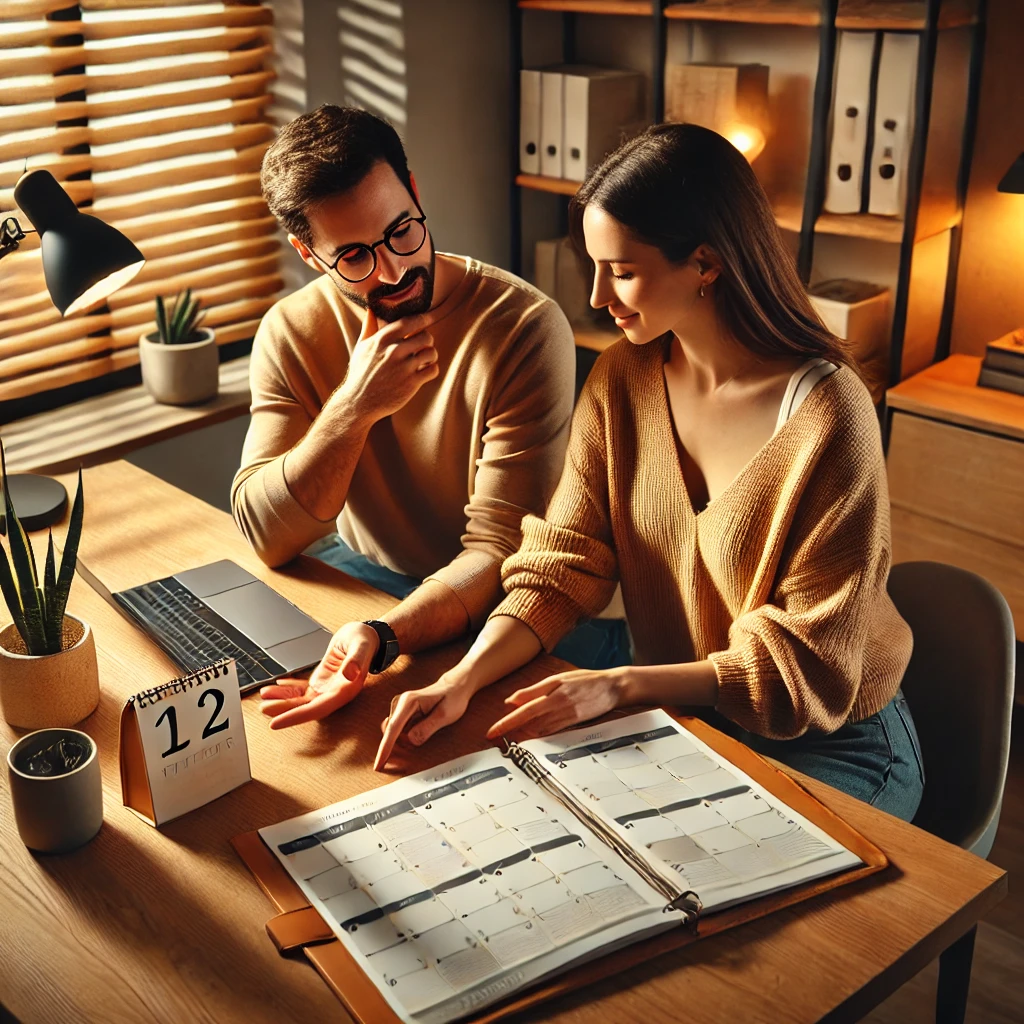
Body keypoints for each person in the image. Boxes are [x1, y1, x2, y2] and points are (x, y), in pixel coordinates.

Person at [373, 123, 925, 822]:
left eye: (623, 270)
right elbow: (560, 566)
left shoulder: (829, 414)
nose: (598, 296)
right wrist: (460, 681)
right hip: (688, 709)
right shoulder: (621, 378)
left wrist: (620, 688)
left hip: (833, 739)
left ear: (706, 264)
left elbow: (807, 667)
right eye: (594, 266)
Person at [231, 105, 575, 727]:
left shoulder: (526, 327)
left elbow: (500, 553)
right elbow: (266, 535)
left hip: (498, 602)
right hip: (363, 575)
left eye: (402, 232)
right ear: (308, 254)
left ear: (414, 192)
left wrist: (381, 634)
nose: (393, 271)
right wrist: (354, 407)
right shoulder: (289, 331)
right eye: (355, 257)